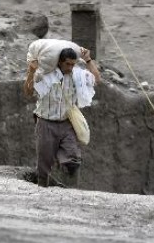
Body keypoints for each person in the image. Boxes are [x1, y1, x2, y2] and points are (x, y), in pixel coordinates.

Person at [24, 47, 101, 188]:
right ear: (59, 62)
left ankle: (69, 190)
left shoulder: (77, 76)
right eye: (67, 64)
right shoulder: (45, 75)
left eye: (73, 64)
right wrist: (31, 71)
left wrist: (89, 60)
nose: (70, 67)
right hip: (45, 123)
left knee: (73, 158)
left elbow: (96, 79)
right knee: (44, 162)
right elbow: (28, 91)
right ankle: (42, 189)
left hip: (66, 123)